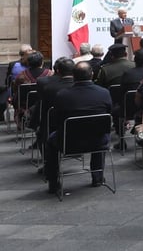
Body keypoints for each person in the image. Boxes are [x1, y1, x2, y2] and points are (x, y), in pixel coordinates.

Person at [44, 62, 112, 193]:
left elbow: (57, 120)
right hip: (98, 142)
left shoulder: (62, 95)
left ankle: (53, 181)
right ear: (92, 75)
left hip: (68, 143)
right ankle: (97, 177)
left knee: (50, 140)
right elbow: (108, 114)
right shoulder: (104, 93)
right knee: (101, 131)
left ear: (73, 76)